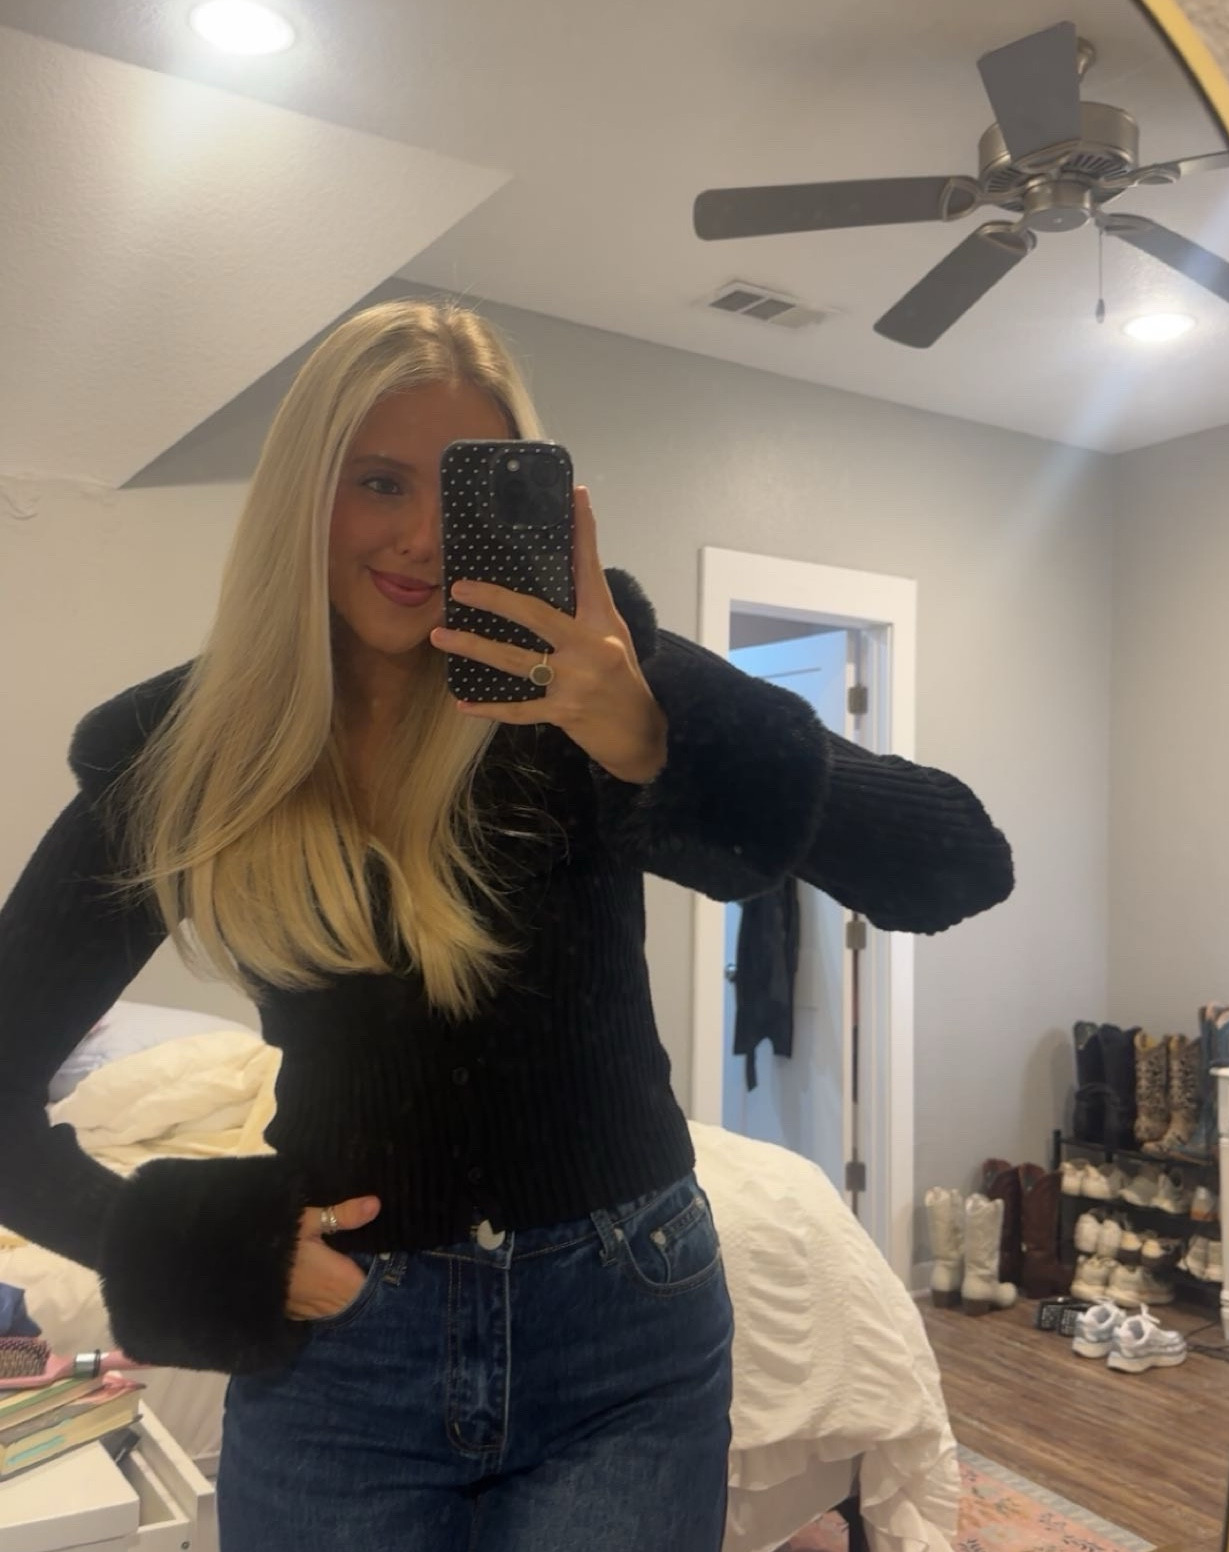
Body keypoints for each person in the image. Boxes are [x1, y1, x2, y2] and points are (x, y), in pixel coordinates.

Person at [0, 300, 1014, 1551]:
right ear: (303, 496)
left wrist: (652, 735)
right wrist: (220, 1250)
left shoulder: (596, 675)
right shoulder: (185, 753)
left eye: (462, 491)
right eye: (379, 481)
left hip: (628, 1335)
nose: (423, 537)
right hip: (340, 1358)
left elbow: (957, 864)